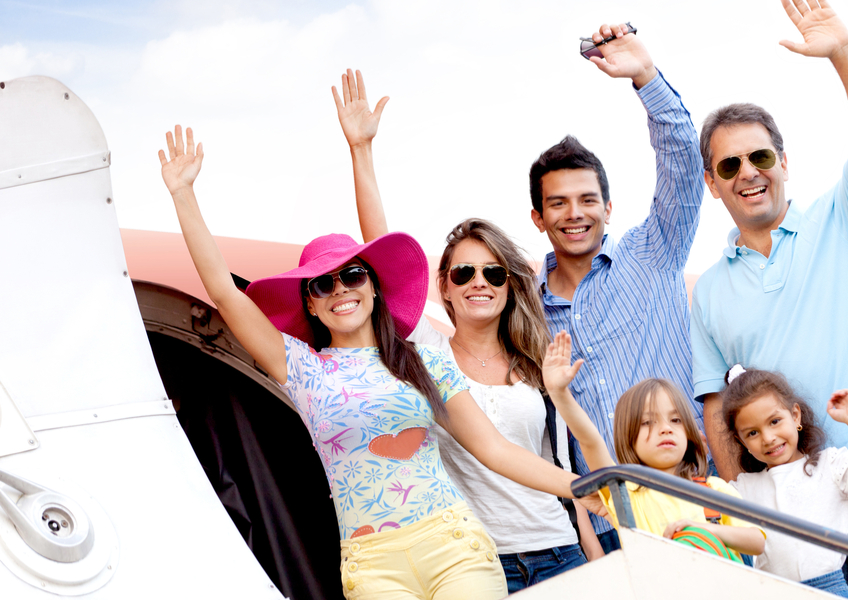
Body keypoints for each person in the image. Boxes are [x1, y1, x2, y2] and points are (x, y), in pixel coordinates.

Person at [157, 125, 606, 599]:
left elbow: (494, 449)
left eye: (352, 275)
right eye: (323, 284)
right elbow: (226, 294)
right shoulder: (302, 368)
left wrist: (580, 487)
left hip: (452, 544)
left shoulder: (423, 360)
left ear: (373, 285)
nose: (341, 290)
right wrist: (184, 194)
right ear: (309, 303)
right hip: (372, 563)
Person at [690, 1, 848, 597]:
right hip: (788, 491)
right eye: (729, 165)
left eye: (760, 157)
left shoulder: (846, 215)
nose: (748, 172)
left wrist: (841, 51)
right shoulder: (710, 291)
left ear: (783, 161)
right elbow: (713, 404)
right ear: (712, 183)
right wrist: (741, 501)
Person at [331, 68, 593, 592]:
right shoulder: (425, 353)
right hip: (477, 560)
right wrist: (361, 150)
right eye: (464, 272)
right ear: (442, 287)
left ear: (509, 286)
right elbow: (379, 254)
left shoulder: (536, 360)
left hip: (558, 548)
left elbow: (556, 460)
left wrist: (588, 543)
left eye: (494, 273)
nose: (480, 282)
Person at [529, 22, 703, 555]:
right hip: (608, 521)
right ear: (538, 218)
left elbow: (684, 166)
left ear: (609, 207)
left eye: (587, 199)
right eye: (557, 203)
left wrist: (645, 77)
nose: (574, 213)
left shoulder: (654, 250)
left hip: (690, 500)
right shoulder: (527, 310)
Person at [542, 331, 765, 560]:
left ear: (690, 434)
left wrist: (706, 530)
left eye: (676, 420)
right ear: (629, 439)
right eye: (648, 422)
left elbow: (757, 541)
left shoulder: (713, 489)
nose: (665, 428)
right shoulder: (625, 494)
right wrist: (559, 393)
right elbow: (590, 442)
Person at [721, 366, 848, 598]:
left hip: (830, 592)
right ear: (740, 440)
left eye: (775, 421)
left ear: (795, 415)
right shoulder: (743, 488)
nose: (768, 438)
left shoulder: (830, 466)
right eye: (752, 433)